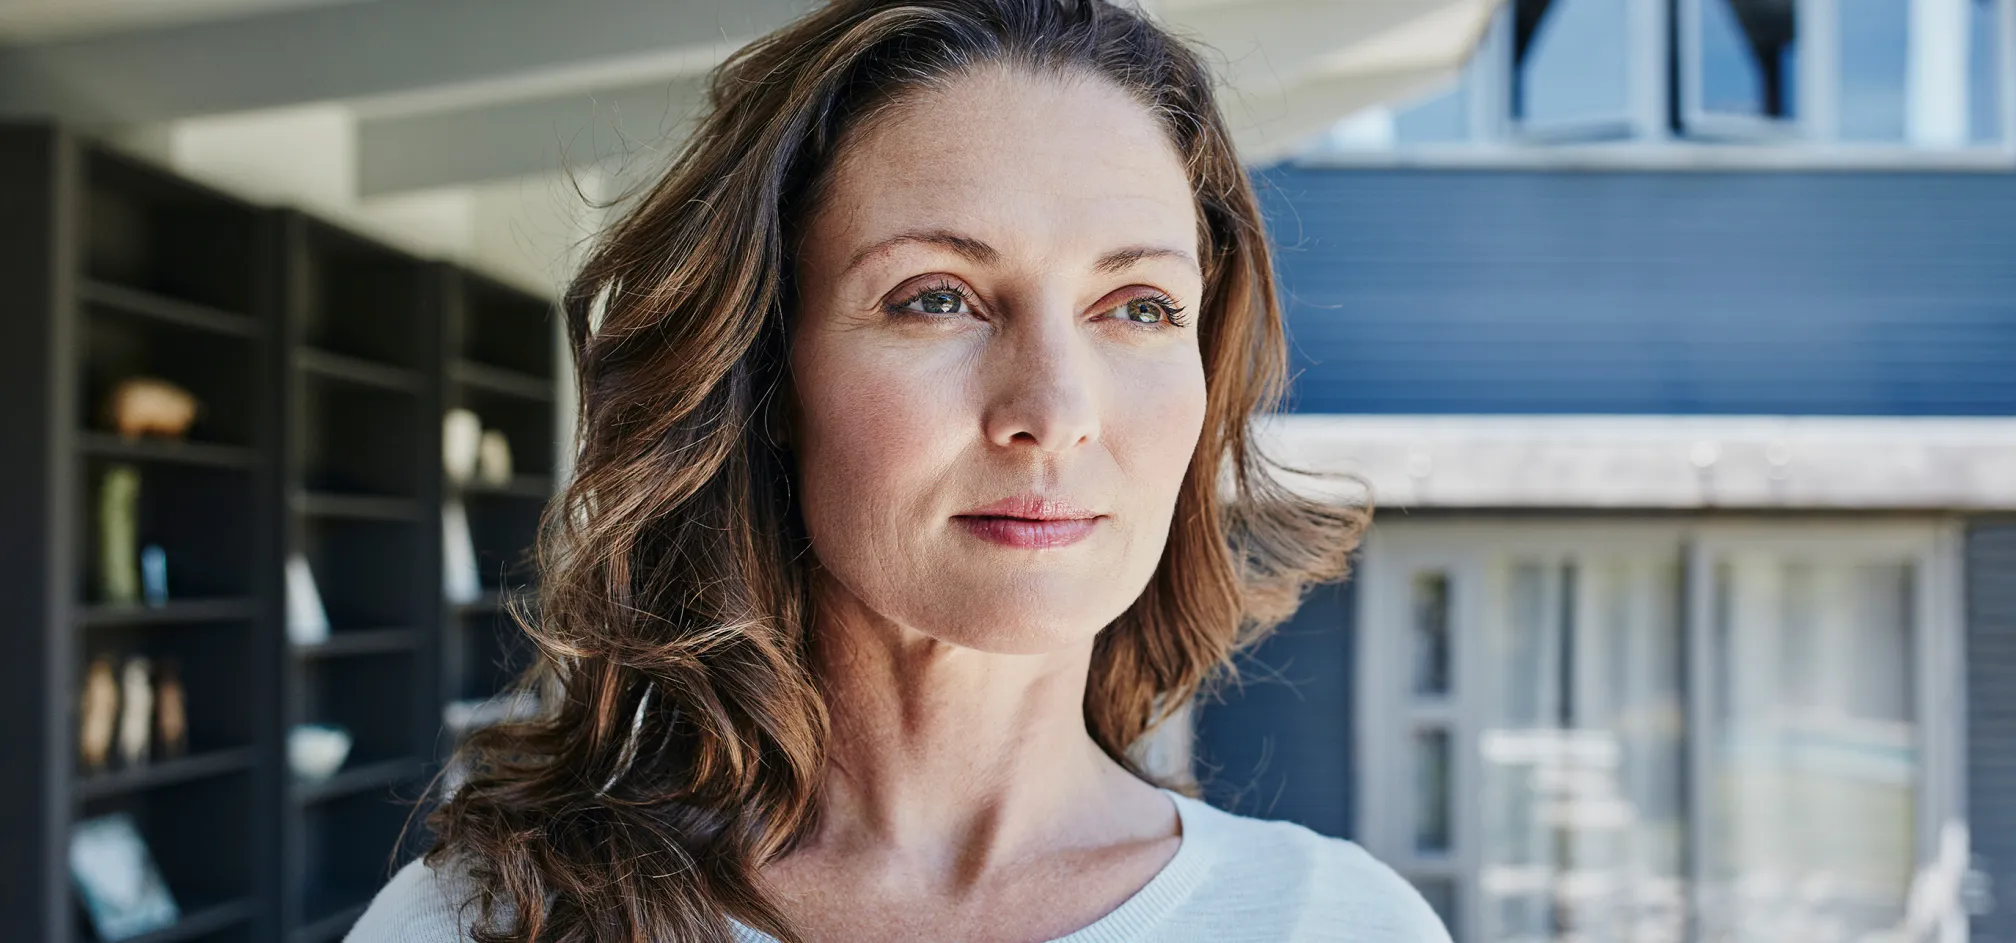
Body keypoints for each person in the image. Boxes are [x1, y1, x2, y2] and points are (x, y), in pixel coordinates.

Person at [350, 1, 1448, 940]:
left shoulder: (1333, 922)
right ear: (769, 373)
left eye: (1138, 307)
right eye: (937, 298)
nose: (1054, 413)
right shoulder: (486, 920)